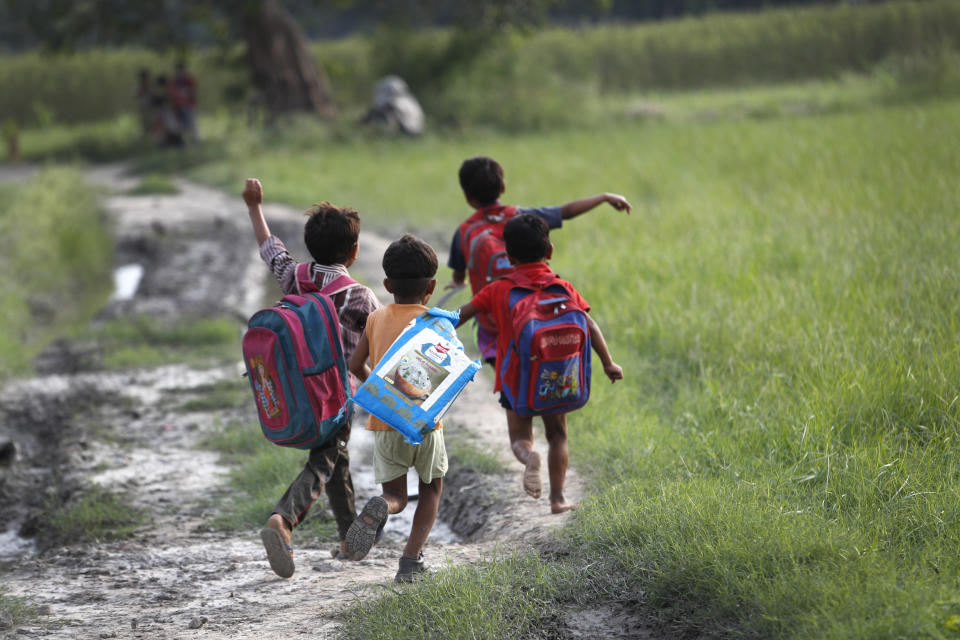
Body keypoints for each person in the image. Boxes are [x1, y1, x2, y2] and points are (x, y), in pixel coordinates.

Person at [242, 178, 381, 578]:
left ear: (309, 246)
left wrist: (255, 206)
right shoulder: (360, 297)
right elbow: (380, 339)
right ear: (353, 253)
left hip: (295, 390)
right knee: (323, 462)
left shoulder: (294, 277)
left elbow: (271, 249)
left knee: (336, 460)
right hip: (334, 398)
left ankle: (347, 537)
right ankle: (283, 520)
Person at [456, 214, 623, 514]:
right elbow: (589, 324)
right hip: (558, 377)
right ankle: (558, 499)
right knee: (558, 436)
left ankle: (528, 456)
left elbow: (461, 315)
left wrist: (429, 324)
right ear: (550, 251)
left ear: (507, 255)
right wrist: (609, 363)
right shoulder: (563, 287)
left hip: (515, 380)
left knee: (520, 437)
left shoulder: (498, 289)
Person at [447, 156, 631, 365]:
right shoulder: (525, 219)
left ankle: (511, 398)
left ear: (467, 196)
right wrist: (604, 197)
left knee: (510, 384)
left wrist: (458, 282)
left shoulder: (464, 232)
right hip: (535, 322)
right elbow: (567, 212)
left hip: (494, 330)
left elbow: (459, 276)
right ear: (503, 187)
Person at [346, 234, 447, 583]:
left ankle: (383, 507)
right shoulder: (437, 322)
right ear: (431, 286)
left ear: (387, 284)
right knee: (432, 488)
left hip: (385, 420)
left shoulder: (376, 318)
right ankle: (410, 561)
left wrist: (379, 388)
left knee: (396, 495)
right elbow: (450, 376)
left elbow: (354, 363)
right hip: (424, 425)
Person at [171, 61, 199, 143]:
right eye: (179, 71)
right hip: (178, 106)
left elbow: (193, 91)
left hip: (189, 105)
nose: (180, 72)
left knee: (193, 123)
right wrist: (183, 93)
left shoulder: (189, 80)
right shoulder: (174, 81)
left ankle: (196, 139)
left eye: (182, 70)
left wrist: (184, 92)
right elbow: (173, 93)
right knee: (179, 124)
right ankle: (181, 140)